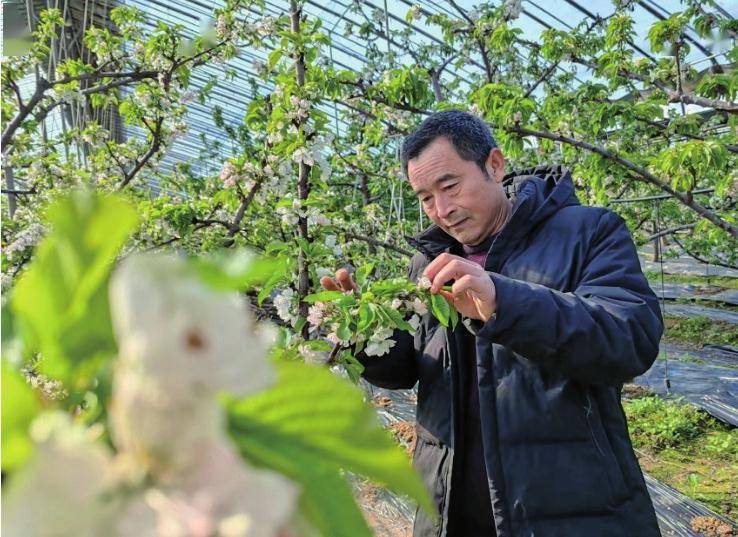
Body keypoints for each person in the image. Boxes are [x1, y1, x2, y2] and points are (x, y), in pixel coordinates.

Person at [321, 110, 663, 536]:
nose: (442, 210)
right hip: (452, 509)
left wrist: (503, 302)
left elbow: (629, 338)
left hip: (568, 513)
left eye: (450, 186)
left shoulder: (588, 232)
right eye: (425, 197)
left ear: (495, 166)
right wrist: (361, 332)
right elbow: (409, 369)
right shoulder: (428, 262)